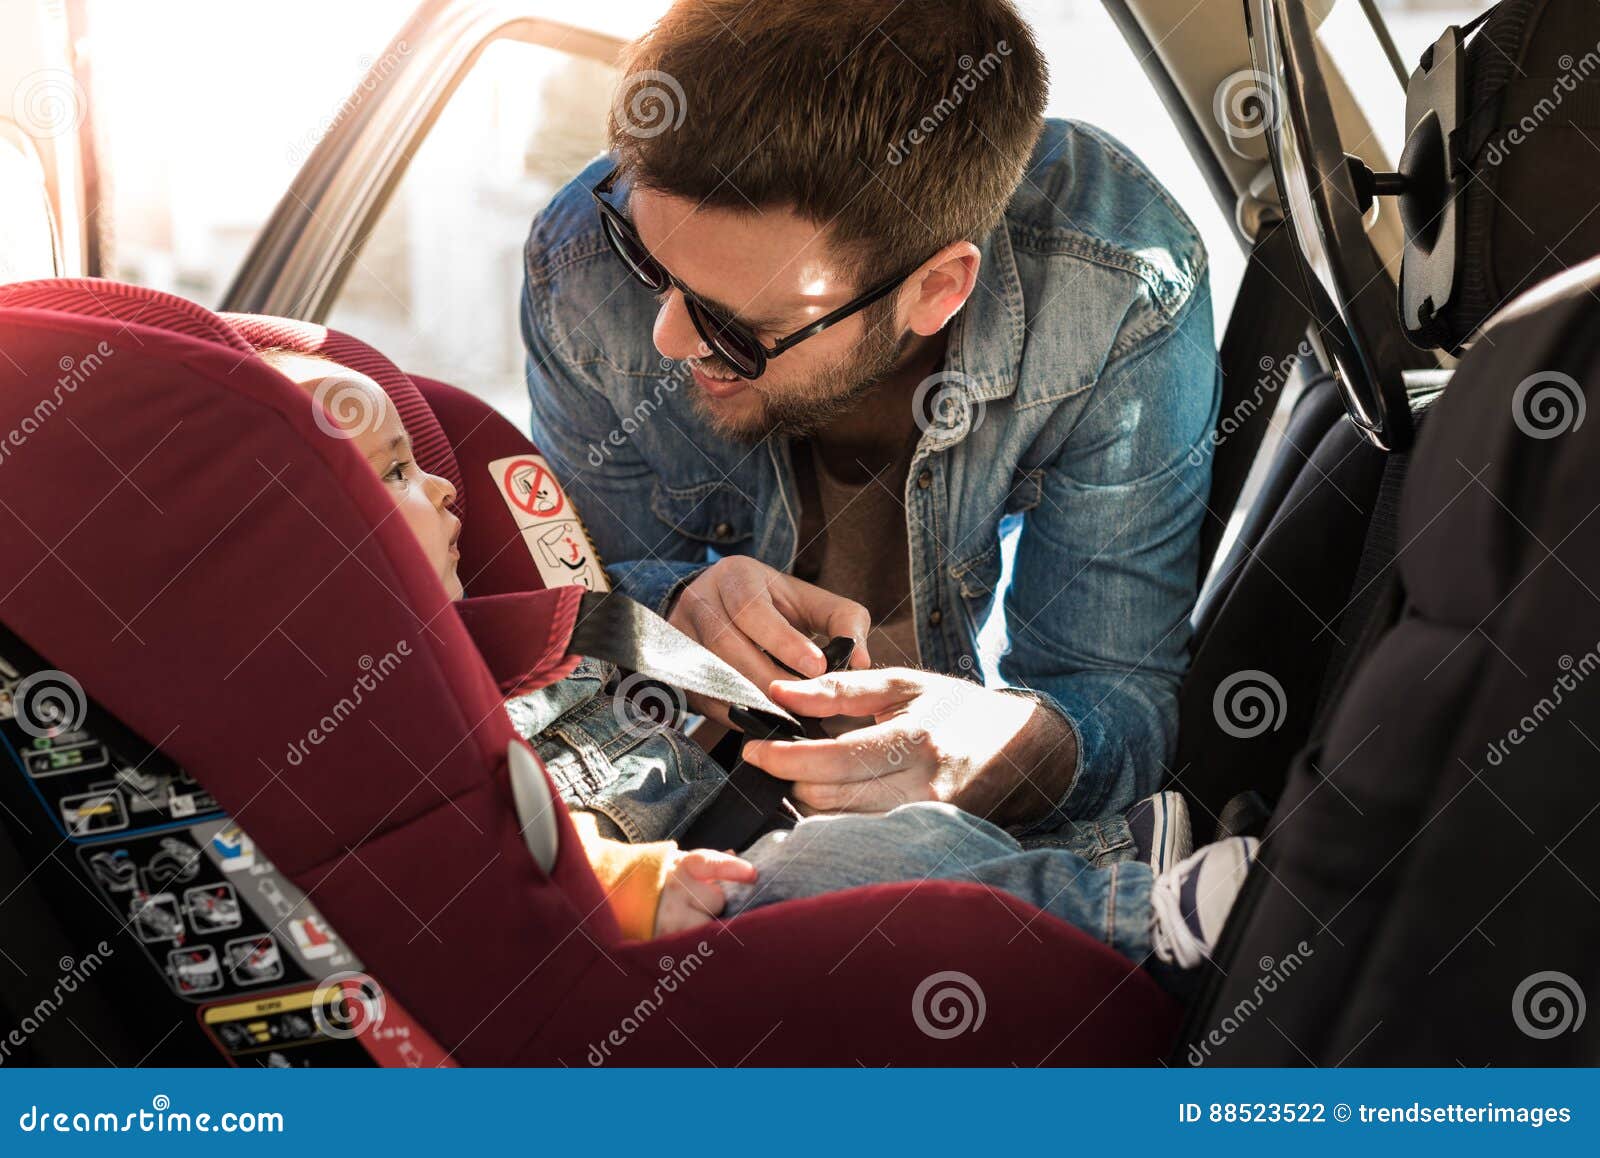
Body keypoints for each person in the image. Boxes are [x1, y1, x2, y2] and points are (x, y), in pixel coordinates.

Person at [263, 350, 1256, 980]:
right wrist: (642, 889)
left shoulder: (510, 632)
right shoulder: (373, 729)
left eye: (416, 457)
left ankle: (1112, 864)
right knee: (839, 877)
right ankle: (1131, 917)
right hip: (671, 924)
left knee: (889, 838)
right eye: (392, 476)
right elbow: (491, 865)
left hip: (726, 825)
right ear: (301, 565)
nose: (441, 484)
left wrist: (710, 678)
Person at [521, 0, 1221, 835]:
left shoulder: (1117, 295)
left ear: (937, 289)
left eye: (741, 327)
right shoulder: (580, 266)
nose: (668, 338)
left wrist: (999, 752)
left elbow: (1117, 698)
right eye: (648, 259)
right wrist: (670, 606)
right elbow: (564, 609)